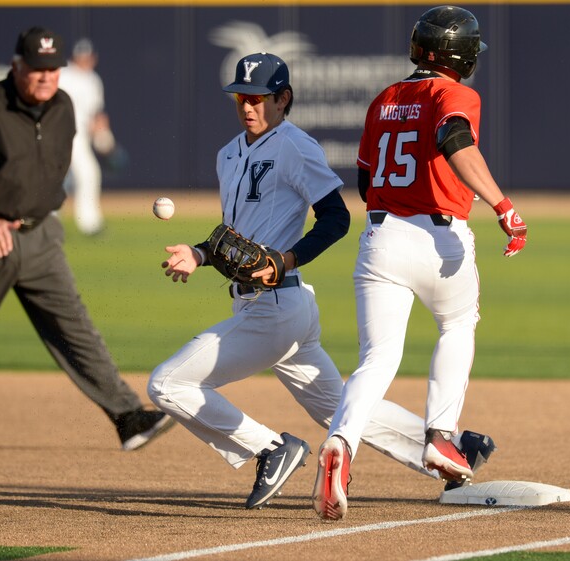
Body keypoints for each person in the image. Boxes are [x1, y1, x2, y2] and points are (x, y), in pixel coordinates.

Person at [148, 52, 495, 511]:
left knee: (166, 384)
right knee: (341, 411)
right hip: (267, 307)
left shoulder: (296, 146)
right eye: (241, 98)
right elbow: (239, 240)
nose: (247, 106)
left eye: (258, 98)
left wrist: (286, 260)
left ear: (283, 98)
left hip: (276, 307)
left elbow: (335, 218)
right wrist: (199, 254)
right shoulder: (227, 154)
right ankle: (456, 450)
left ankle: (269, 448)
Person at [0, 26, 173, 454]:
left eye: (53, 68)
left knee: (75, 327)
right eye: (37, 69)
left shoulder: (62, 107)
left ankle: (128, 417)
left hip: (42, 236)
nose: (46, 77)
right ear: (17, 66)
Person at [313, 5, 527, 521]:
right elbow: (454, 140)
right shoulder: (456, 93)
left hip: (381, 236)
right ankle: (439, 437)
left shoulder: (385, 98)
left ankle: (341, 441)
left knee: (378, 357)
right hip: (439, 237)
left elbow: (365, 182)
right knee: (456, 327)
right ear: (461, 54)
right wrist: (503, 206)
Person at [59, 38, 114, 236]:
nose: (84, 60)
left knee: (86, 175)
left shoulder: (93, 79)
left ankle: (88, 223)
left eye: (87, 57)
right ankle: (87, 224)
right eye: (81, 56)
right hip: (61, 132)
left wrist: (103, 134)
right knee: (80, 175)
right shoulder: (63, 74)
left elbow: (96, 113)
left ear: (93, 58)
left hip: (80, 136)